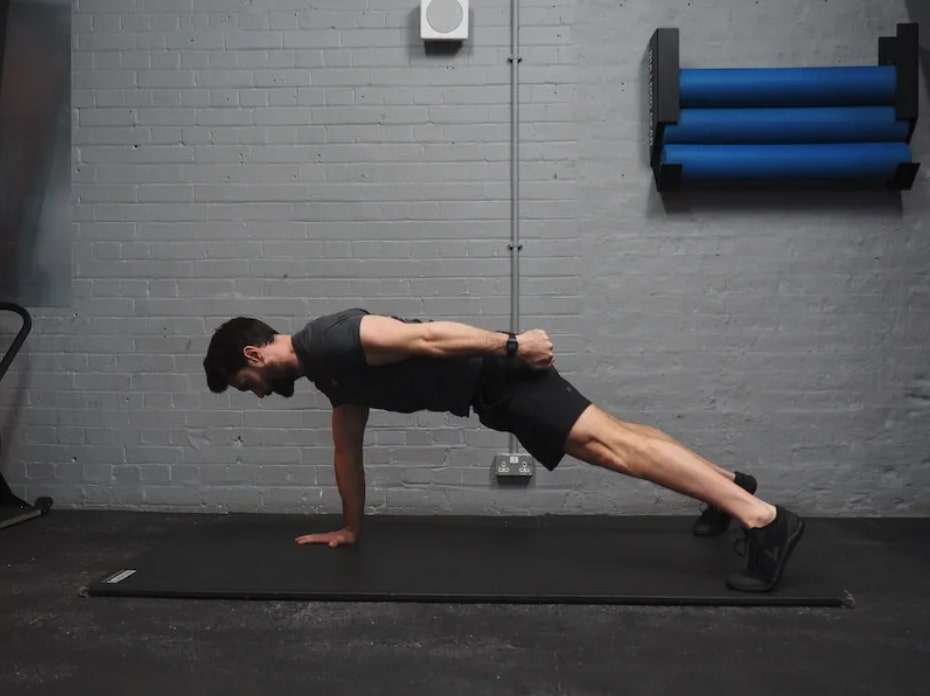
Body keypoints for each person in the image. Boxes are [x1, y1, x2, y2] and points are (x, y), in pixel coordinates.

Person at [202, 307, 805, 593]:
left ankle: (764, 520)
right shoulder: (328, 373)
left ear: (253, 356)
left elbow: (428, 336)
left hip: (498, 378)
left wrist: (512, 346)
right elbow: (347, 454)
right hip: (492, 390)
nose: (253, 395)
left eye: (242, 384)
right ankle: (732, 488)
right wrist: (351, 528)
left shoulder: (329, 341)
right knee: (620, 434)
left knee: (612, 448)